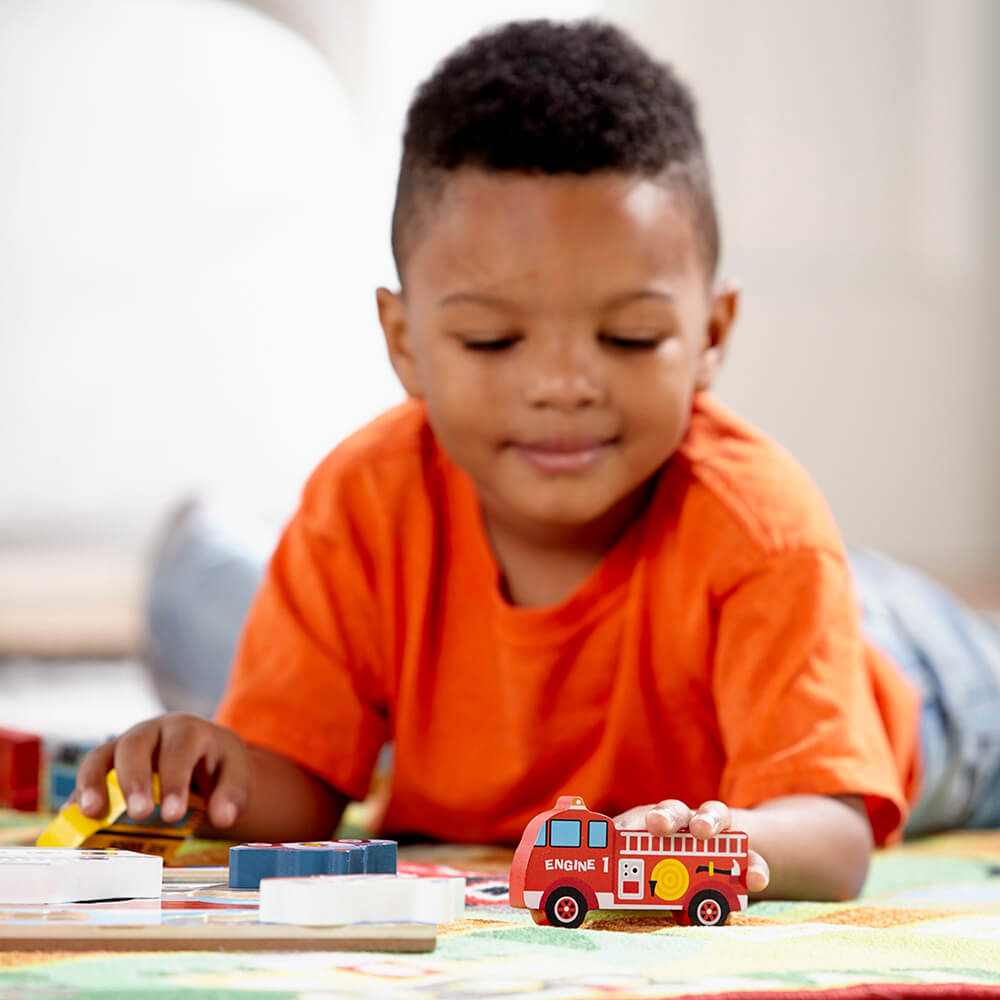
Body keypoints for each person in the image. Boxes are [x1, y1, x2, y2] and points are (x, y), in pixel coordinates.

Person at [73, 19, 1000, 901]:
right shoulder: (363, 500)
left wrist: (724, 839)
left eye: (630, 338)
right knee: (207, 611)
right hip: (720, 630)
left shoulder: (761, 529)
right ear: (404, 343)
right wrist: (218, 776)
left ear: (711, 335)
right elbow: (306, 791)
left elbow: (833, 837)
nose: (562, 386)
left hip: (928, 686)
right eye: (492, 341)